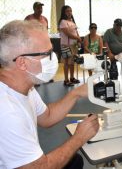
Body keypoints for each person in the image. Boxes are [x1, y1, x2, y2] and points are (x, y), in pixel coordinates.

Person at [0, 20, 99, 169]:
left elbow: (47, 116)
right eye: (47, 54)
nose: (54, 59)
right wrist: (79, 138)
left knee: (75, 162)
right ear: (22, 63)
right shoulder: (7, 110)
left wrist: (76, 93)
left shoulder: (25, 87)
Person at [58, 5, 82, 86]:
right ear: (64, 12)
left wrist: (78, 41)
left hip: (74, 45)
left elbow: (75, 32)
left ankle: (72, 77)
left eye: (70, 11)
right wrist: (78, 38)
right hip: (66, 45)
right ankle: (66, 80)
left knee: (72, 62)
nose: (69, 12)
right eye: (67, 11)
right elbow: (68, 34)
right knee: (67, 63)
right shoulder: (63, 22)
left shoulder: (72, 21)